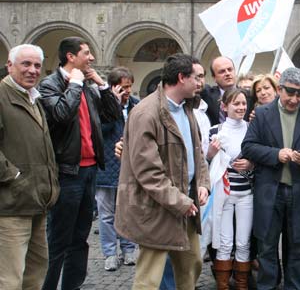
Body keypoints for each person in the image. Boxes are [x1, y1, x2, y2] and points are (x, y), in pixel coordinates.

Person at [114, 53, 210, 289]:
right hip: (155, 210)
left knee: (191, 265)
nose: (200, 83)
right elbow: (148, 171)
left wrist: (203, 184)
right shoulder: (146, 113)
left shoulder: (186, 109)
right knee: (149, 278)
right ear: (181, 77)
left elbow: (197, 152)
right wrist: (180, 201)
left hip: (185, 206)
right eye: (196, 77)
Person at [39, 37, 121, 290]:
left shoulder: (86, 86)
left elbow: (113, 114)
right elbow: (62, 114)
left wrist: (102, 85)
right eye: (87, 53)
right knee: (59, 239)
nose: (92, 58)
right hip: (66, 173)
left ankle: (72, 286)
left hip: (89, 171)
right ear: (71, 57)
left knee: (80, 238)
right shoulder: (50, 85)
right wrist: (75, 84)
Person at [241, 67, 300, 290]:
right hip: (269, 191)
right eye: (290, 92)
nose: (295, 99)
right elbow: (248, 146)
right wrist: (276, 154)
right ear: (280, 89)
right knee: (267, 247)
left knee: (299, 249)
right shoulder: (263, 114)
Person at [0, 44, 59, 290]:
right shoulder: (3, 95)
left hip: (37, 201)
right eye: (25, 64)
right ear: (10, 66)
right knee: (10, 279)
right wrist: (14, 177)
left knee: (35, 274)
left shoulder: (33, 97)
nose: (32, 70)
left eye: (37, 65)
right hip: (11, 205)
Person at [207, 89, 255, 290]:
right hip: (223, 194)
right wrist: (211, 152)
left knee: (243, 243)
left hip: (247, 194)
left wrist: (251, 164)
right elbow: (206, 162)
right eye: (236, 103)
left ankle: (242, 286)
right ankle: (223, 286)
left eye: (244, 103)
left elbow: (260, 157)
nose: (241, 107)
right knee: (225, 243)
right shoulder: (214, 131)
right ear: (224, 106)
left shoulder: (253, 129)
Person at [96, 67, 138, 271]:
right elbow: (100, 131)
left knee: (127, 211)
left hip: (130, 168)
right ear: (114, 87)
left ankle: (129, 249)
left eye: (129, 86)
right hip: (106, 169)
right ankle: (110, 253)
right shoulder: (102, 106)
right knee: (106, 215)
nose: (127, 90)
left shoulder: (136, 106)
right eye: (123, 87)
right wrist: (111, 104)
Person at [202, 56, 237, 125]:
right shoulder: (206, 94)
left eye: (230, 69)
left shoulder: (249, 96)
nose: (227, 73)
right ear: (214, 78)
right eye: (222, 71)